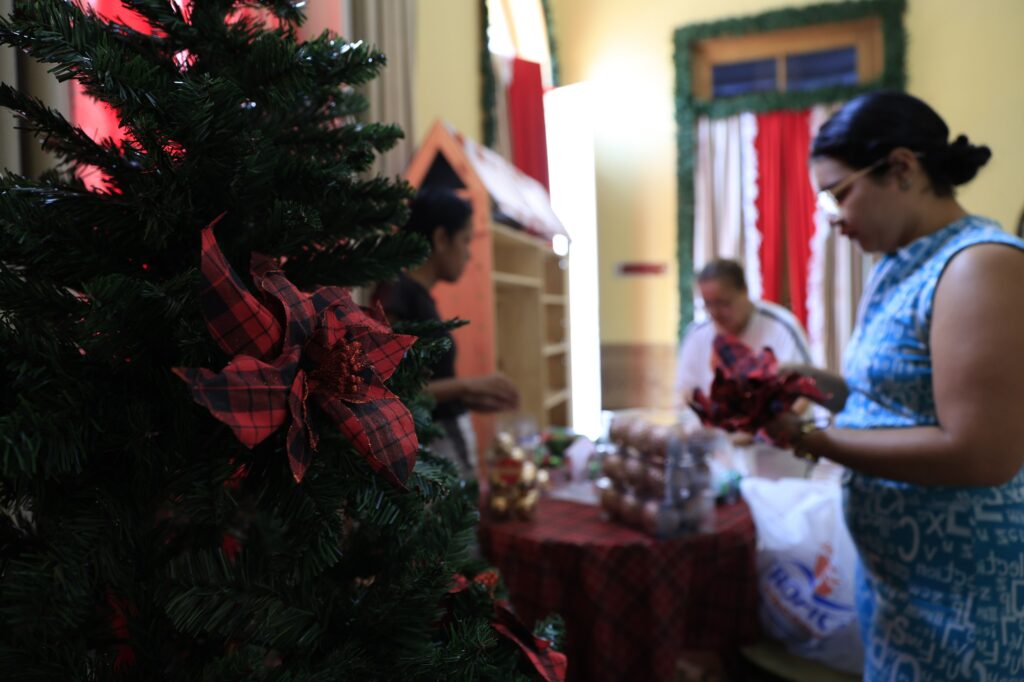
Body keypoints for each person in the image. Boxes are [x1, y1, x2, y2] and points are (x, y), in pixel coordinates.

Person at [767, 91, 1024, 681]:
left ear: (902, 168)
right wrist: (812, 384)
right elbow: (886, 401)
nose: (834, 217)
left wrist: (814, 440)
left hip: (966, 600)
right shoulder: (900, 263)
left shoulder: (978, 264)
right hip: (903, 591)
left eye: (840, 194)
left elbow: (981, 453)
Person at [376, 187, 519, 478]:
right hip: (426, 459)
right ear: (442, 238)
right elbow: (389, 390)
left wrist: (468, 396)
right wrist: (466, 386)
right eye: (466, 240)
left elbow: (427, 386)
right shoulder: (396, 295)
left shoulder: (418, 296)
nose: (469, 254)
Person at [673, 258, 812, 408]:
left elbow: (806, 389)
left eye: (723, 303)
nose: (715, 313)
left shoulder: (782, 327)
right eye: (708, 304)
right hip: (711, 430)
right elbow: (684, 395)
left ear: (744, 290)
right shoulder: (697, 335)